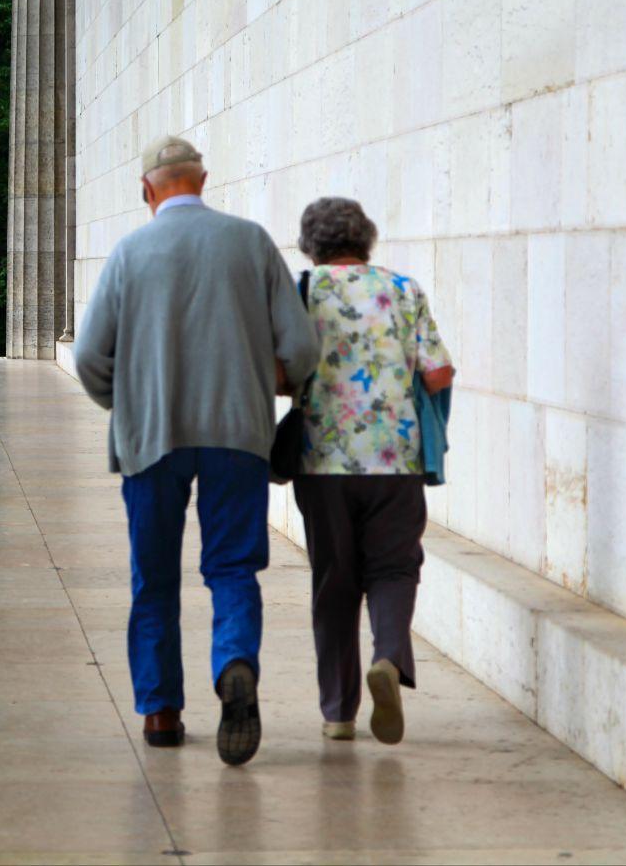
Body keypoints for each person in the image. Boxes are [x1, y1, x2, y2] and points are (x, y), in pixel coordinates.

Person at [74, 135, 321, 766]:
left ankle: (161, 712)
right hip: (237, 435)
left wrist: (125, 403)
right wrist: (273, 380)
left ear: (147, 190)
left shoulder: (130, 252)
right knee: (232, 568)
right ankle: (234, 661)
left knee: (152, 577)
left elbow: (88, 356)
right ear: (203, 181)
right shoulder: (250, 242)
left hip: (151, 439)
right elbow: (300, 348)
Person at [289, 197, 454, 744]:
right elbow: (439, 372)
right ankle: (386, 657)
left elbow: (282, 371)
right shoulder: (404, 290)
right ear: (367, 238)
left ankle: (338, 713)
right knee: (394, 568)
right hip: (396, 458)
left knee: (334, 581)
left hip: (322, 458)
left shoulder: (305, 291)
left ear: (312, 245)